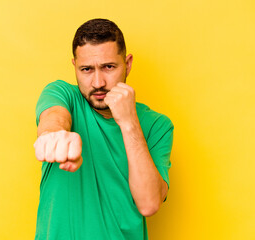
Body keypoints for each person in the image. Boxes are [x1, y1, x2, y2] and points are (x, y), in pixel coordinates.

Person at [33, 18, 174, 240]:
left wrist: (129, 123)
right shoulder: (63, 94)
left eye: (108, 67)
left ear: (127, 64)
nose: (98, 82)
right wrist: (55, 137)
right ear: (75, 67)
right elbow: (53, 118)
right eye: (87, 69)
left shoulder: (157, 126)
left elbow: (149, 204)